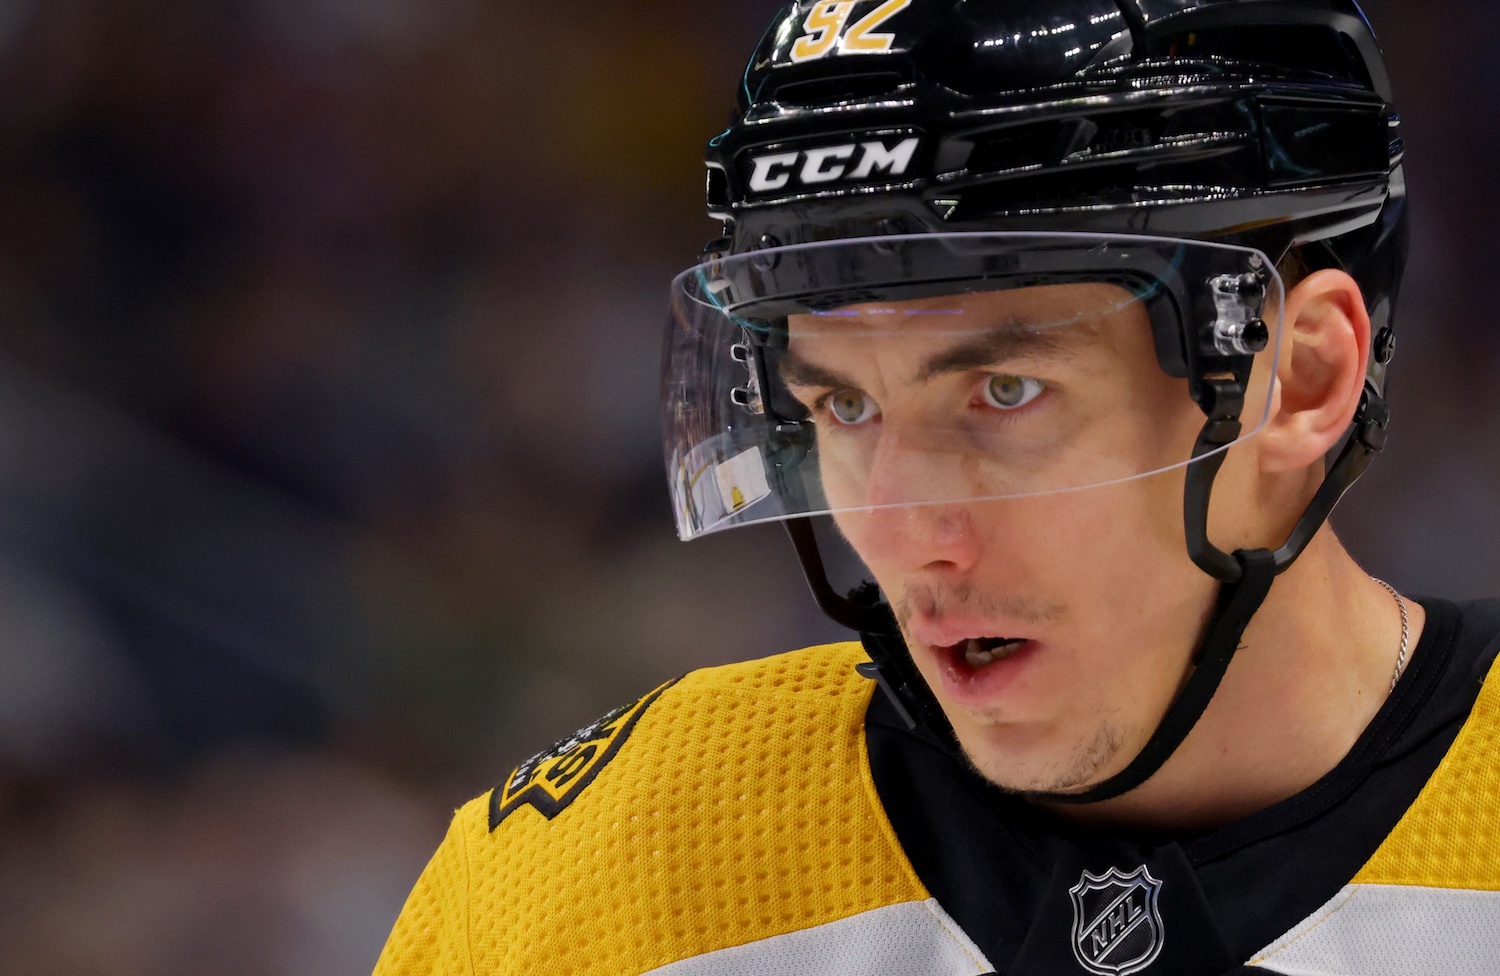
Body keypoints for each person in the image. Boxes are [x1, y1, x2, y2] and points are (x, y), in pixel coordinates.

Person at [374, 1, 1500, 973]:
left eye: (1005, 392)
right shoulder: (588, 888)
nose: (908, 534)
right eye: (845, 407)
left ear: (1301, 376)